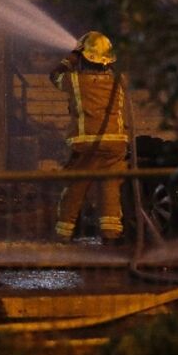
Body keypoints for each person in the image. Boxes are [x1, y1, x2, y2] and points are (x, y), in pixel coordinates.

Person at [50, 31, 129, 245]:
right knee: (110, 188)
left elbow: (54, 76)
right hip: (116, 144)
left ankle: (63, 234)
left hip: (87, 144)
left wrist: (72, 57)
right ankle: (111, 237)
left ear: (83, 58)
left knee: (75, 186)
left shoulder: (74, 80)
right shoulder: (120, 80)